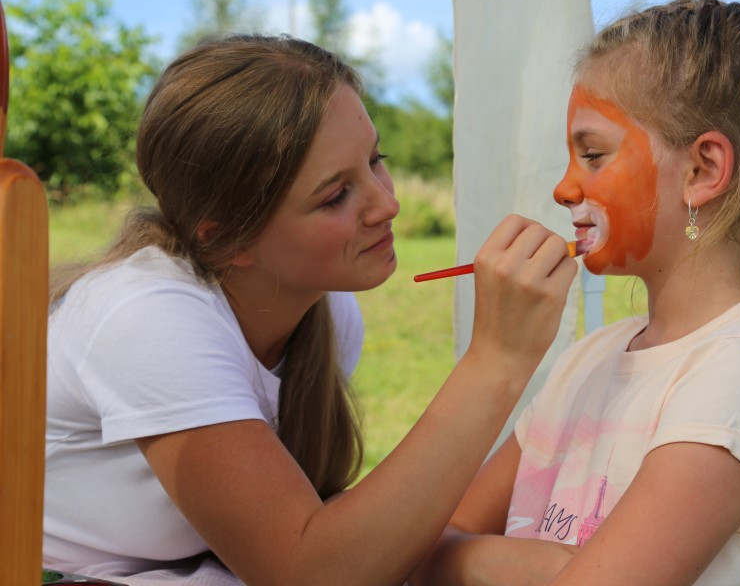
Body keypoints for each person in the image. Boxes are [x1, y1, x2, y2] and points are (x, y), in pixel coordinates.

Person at [43, 34, 578, 585]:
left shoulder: (330, 314)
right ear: (228, 239)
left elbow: (327, 534)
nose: (387, 204)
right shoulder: (148, 318)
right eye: (334, 196)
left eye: (376, 160)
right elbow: (310, 572)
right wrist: (498, 358)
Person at [411, 0, 740, 586]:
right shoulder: (590, 359)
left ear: (703, 170)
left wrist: (473, 561)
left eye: (592, 154)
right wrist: (553, 567)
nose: (564, 189)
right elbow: (422, 540)